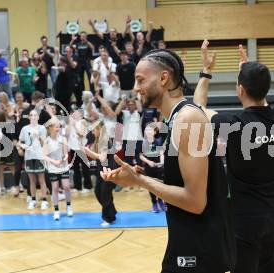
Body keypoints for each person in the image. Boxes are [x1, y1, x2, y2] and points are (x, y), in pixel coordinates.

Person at [100, 48, 235, 272]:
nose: (135, 88)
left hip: (200, 252)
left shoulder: (187, 119)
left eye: (140, 80)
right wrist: (136, 178)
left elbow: (195, 201)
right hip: (190, 244)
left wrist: (141, 181)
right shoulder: (178, 118)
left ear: (164, 78)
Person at [195, 40, 274, 273]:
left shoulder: (233, 125)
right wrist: (249, 71)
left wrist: (206, 71)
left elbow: (197, 108)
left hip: (245, 218)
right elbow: (262, 100)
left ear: (240, 90)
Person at [83, 121, 118, 226]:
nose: (93, 133)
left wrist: (87, 151)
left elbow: (102, 158)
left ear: (99, 129)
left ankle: (108, 218)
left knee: (104, 194)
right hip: (101, 170)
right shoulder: (98, 141)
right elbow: (95, 156)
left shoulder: (105, 141)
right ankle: (112, 212)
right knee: (98, 192)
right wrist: (86, 150)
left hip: (109, 171)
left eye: (94, 130)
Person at [18, 110, 49, 210]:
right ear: (29, 117)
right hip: (29, 156)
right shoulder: (24, 129)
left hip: (39, 156)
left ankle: (44, 200)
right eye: (31, 115)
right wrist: (21, 146)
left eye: (35, 115)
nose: (34, 117)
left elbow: (44, 143)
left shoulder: (42, 128)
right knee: (31, 180)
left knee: (41, 179)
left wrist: (38, 137)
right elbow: (20, 141)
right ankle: (33, 200)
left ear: (38, 117)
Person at [44, 117, 73, 220]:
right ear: (50, 128)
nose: (58, 129)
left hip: (63, 166)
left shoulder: (63, 139)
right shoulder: (46, 140)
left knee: (66, 186)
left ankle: (69, 206)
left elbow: (66, 154)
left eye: (59, 127)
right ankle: (56, 210)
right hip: (52, 167)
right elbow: (45, 156)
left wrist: (64, 159)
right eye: (56, 127)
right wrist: (54, 162)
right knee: (55, 188)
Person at [140, 125, 165, 213]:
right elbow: (140, 155)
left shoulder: (158, 141)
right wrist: (148, 162)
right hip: (149, 168)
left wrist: (161, 162)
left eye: (151, 130)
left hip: (158, 167)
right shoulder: (143, 143)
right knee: (151, 186)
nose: (148, 132)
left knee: (160, 185)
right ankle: (154, 203)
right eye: (147, 130)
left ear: (155, 132)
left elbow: (161, 153)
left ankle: (161, 201)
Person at [0, 92, 16, 195]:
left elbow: (11, 117)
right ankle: (2, 186)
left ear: (5, 97)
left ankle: (17, 184)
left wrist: (5, 108)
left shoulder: (11, 105)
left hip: (10, 132)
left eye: (1, 97)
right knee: (0, 165)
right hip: (1, 133)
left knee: (11, 163)